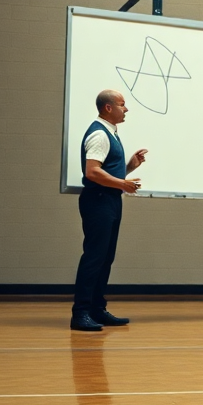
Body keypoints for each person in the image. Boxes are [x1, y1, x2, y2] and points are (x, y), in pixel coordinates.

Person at [71, 90, 147, 332]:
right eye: (122, 105)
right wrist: (123, 184)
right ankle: (81, 313)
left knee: (105, 258)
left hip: (110, 200)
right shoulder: (99, 134)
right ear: (108, 108)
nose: (126, 109)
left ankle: (97, 309)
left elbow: (108, 173)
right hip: (99, 200)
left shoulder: (111, 134)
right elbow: (92, 172)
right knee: (94, 257)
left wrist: (128, 168)